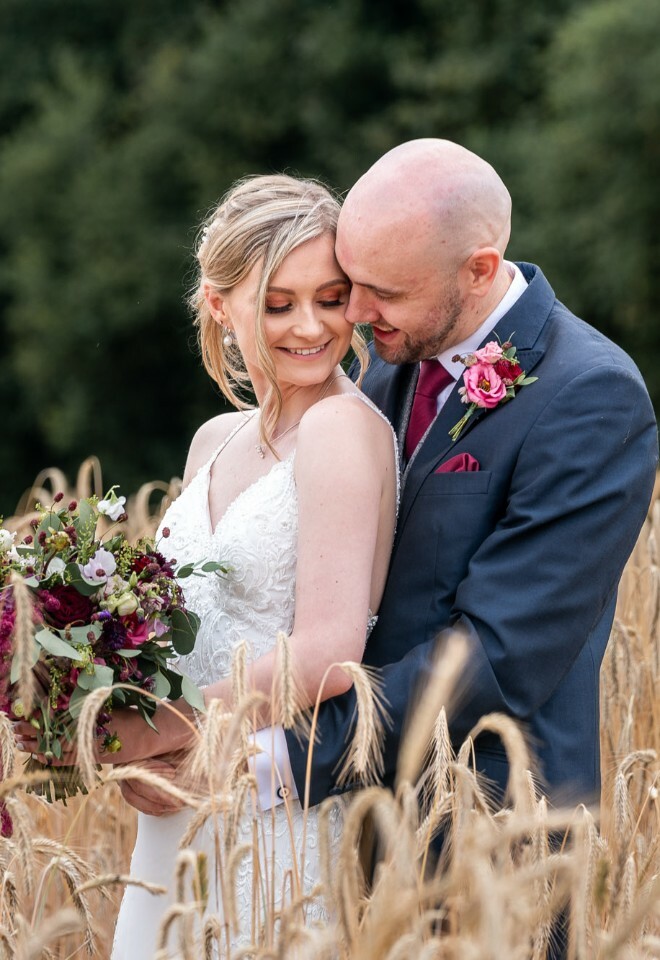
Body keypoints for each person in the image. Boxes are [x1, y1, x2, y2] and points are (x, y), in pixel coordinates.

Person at [87, 174, 397, 955]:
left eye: (330, 298)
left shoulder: (342, 431)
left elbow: (328, 653)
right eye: (279, 301)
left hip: (274, 822)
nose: (311, 326)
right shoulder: (212, 440)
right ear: (221, 305)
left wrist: (162, 727)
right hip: (177, 815)